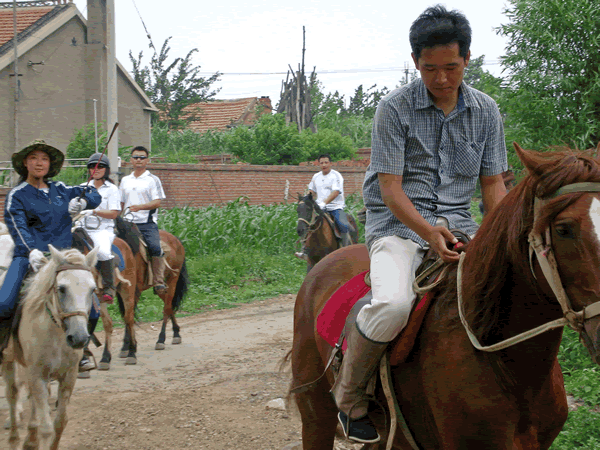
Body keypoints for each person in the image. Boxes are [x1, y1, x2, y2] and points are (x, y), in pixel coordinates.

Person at [332, 5, 508, 444]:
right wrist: (430, 232)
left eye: (451, 67)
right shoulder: (393, 109)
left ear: (467, 59)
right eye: (430, 69)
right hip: (397, 227)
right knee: (392, 305)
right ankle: (350, 395)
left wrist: (496, 236)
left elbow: (492, 186)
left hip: (463, 226)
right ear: (416, 63)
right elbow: (390, 188)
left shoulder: (486, 111)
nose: (442, 79)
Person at [0, 140, 101, 343]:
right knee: (4, 303)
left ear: (49, 165)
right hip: (29, 256)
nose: (39, 163)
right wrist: (31, 251)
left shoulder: (61, 189)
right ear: (25, 164)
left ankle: (81, 349)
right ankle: (4, 348)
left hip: (62, 259)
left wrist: (83, 201)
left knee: (94, 311)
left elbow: (93, 193)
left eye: (44, 159)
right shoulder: (17, 195)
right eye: (33, 158)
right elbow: (17, 227)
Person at [76, 153, 121, 373]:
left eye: (100, 166)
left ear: (106, 169)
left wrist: (93, 210)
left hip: (103, 230)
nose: (96, 169)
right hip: (83, 227)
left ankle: (109, 287)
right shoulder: (82, 187)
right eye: (92, 166)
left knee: (102, 251)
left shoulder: (112, 190)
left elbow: (113, 214)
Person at [119, 146, 167, 295]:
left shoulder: (153, 180)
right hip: (127, 223)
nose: (138, 160)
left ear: (147, 160)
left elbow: (157, 202)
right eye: (135, 157)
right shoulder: (125, 180)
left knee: (154, 247)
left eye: (142, 157)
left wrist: (140, 207)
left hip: (146, 223)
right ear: (131, 160)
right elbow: (121, 203)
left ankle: (158, 282)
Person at [295, 154, 353, 260]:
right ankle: (305, 250)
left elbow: (336, 192)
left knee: (343, 224)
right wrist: (308, 197)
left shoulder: (336, 176)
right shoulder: (316, 176)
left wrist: (324, 202)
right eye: (321, 163)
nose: (324, 165)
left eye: (326, 162)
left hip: (335, 207)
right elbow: (311, 191)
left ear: (331, 163)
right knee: (307, 223)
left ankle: (346, 252)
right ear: (319, 164)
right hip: (319, 208)